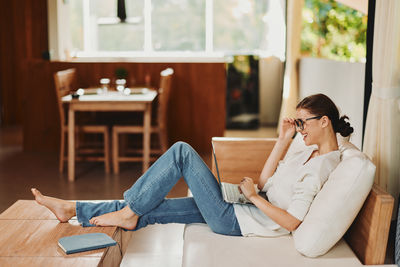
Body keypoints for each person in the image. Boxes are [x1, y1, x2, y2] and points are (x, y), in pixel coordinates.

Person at [31, 93, 354, 237]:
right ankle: (72, 209)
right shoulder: (304, 149)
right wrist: (284, 140)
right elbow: (269, 180)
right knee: (153, 208)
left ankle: (128, 212)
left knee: (183, 151)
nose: (299, 129)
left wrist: (254, 197)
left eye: (301, 123)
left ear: (324, 122)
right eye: (296, 123)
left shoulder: (322, 167)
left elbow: (294, 223)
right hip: (240, 205)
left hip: (238, 219)